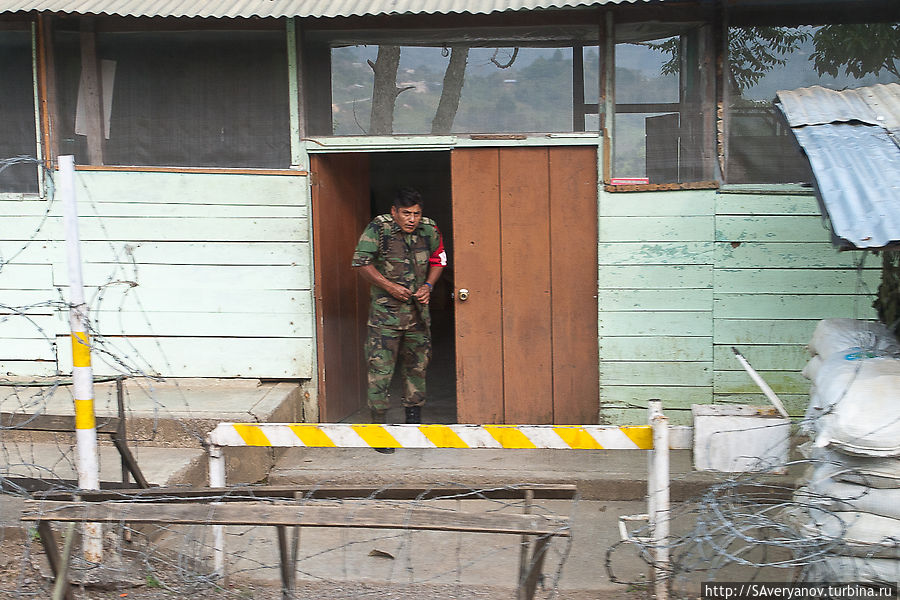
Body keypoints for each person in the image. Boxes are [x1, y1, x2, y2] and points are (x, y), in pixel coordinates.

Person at [351, 187, 447, 424]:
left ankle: (413, 422)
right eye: (406, 213)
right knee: (380, 371)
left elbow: (439, 259)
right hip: (386, 318)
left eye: (416, 213)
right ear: (394, 211)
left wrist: (428, 286)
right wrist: (389, 286)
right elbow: (362, 262)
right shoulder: (379, 228)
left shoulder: (429, 228)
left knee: (417, 369)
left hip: (418, 316)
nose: (412, 219)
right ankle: (379, 425)